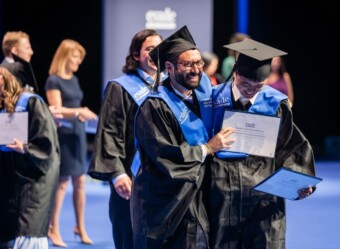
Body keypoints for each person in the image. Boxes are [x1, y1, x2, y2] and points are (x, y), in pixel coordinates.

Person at [130, 25, 235, 249]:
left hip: (197, 193)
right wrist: (207, 148)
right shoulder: (156, 106)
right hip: (166, 201)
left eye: (199, 63)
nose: (196, 70)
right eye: (188, 64)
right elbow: (166, 156)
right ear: (169, 67)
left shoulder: (202, 93)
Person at [208, 39, 316, 249]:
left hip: (263, 196)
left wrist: (299, 181)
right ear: (236, 74)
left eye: (258, 86)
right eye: (245, 85)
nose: (251, 91)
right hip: (221, 194)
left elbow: (291, 146)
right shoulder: (212, 99)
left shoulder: (275, 103)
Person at [87, 29, 163, 249]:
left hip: (162, 179)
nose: (156, 53)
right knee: (129, 236)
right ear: (136, 55)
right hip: (131, 177)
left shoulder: (169, 87)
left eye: (159, 48)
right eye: (149, 49)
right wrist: (117, 173)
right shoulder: (120, 88)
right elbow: (109, 132)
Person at [45, 39, 97, 247]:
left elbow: (74, 107)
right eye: (75, 57)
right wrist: (78, 111)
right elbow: (55, 109)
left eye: (80, 58)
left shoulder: (73, 79)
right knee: (62, 182)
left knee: (80, 181)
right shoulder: (53, 80)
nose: (78, 61)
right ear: (65, 56)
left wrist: (80, 114)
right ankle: (53, 228)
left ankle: (80, 227)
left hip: (78, 133)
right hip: (63, 135)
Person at [0, 67, 60, 249]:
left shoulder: (30, 102)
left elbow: (46, 144)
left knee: (28, 235)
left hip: (33, 177)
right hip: (9, 179)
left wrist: (24, 148)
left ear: (5, 80)